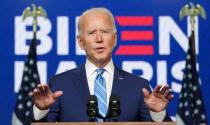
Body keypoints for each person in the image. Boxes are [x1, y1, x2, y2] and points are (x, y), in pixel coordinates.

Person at [32, 7, 173, 122]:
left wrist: (157, 114)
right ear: (81, 42)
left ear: (114, 38)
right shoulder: (60, 84)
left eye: (104, 32)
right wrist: (42, 111)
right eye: (92, 33)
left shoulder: (138, 86)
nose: (99, 39)